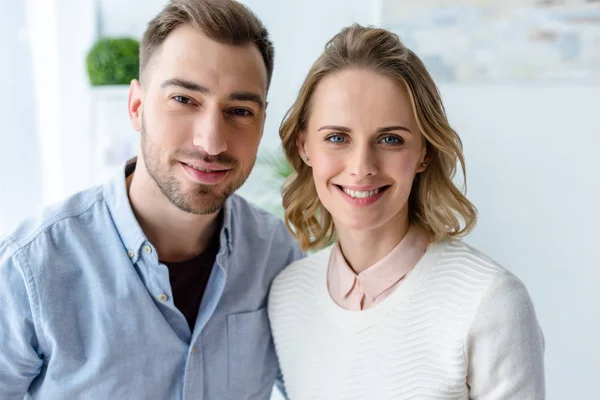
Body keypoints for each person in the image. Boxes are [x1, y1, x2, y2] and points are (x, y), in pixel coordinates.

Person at [0, 0, 302, 399]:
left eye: (239, 110)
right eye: (184, 99)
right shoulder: (31, 268)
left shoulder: (277, 255)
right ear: (137, 107)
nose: (211, 141)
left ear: (262, 121)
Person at [268, 24, 545, 399]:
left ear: (424, 153)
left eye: (390, 139)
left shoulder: (490, 302)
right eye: (337, 138)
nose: (361, 166)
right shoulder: (288, 296)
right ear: (304, 148)